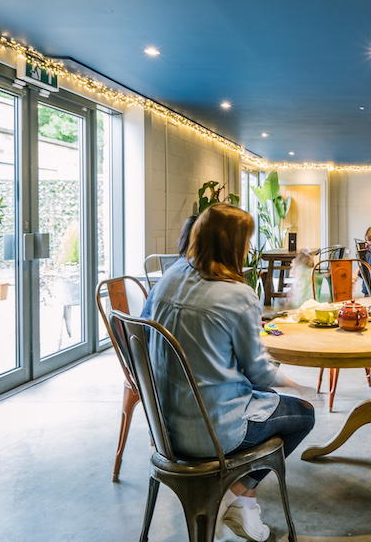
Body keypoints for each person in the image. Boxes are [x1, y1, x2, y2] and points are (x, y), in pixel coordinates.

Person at [147, 203, 315, 542]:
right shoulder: (237, 295)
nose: (249, 248)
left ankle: (240, 500)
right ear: (232, 245)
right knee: (303, 414)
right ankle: (240, 492)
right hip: (212, 432)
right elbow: (260, 374)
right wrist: (296, 384)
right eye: (246, 241)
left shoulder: (170, 279)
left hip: (164, 429)